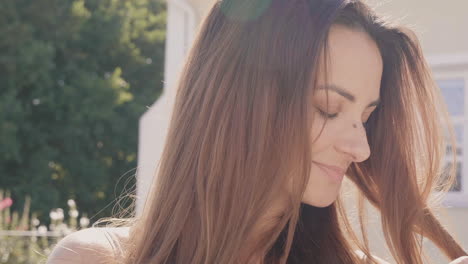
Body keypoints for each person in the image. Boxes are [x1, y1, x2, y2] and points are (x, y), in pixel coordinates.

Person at [47, 0, 468, 263]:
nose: (360, 148)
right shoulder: (90, 259)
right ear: (238, 100)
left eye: (366, 116)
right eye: (327, 108)